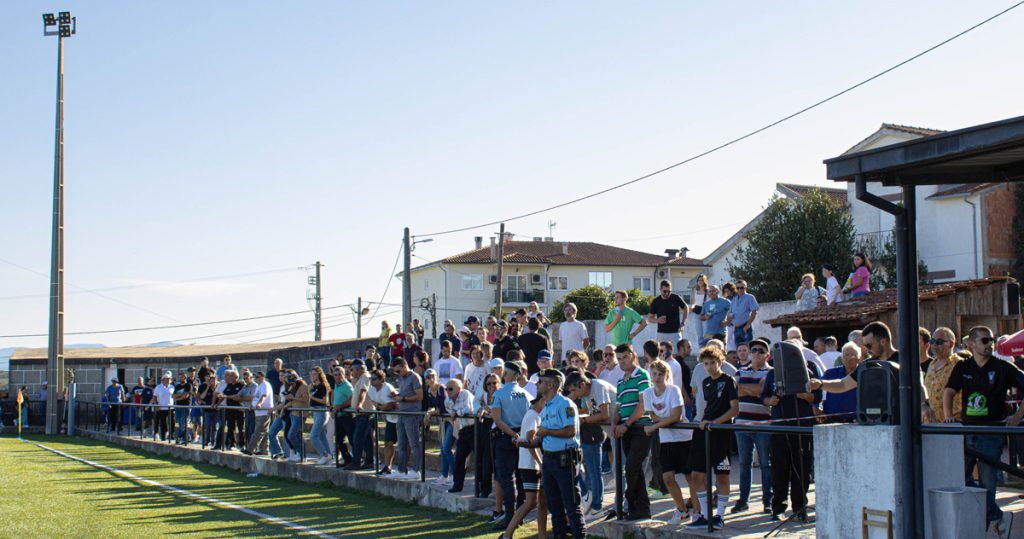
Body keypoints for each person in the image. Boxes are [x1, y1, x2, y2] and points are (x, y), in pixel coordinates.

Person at [943, 326, 1024, 537]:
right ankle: (997, 516)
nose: (990, 345)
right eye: (985, 340)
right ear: (971, 343)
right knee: (959, 478)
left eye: (992, 340)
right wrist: (948, 414)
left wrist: (1016, 417)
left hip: (992, 430)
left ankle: (983, 528)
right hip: (966, 430)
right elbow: (949, 390)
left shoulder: (1002, 367)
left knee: (988, 482)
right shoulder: (963, 366)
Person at [761, 344, 821, 522]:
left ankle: (800, 507)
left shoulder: (808, 370)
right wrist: (770, 400)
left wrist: (806, 396)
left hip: (801, 426)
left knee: (801, 468)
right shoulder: (773, 373)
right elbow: (763, 397)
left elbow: (817, 396)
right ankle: (778, 508)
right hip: (780, 427)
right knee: (779, 470)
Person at [686, 345, 739, 530]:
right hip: (703, 429)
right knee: (697, 475)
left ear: (720, 362)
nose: (709, 367)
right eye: (705, 363)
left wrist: (716, 421)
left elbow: (734, 409)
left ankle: (720, 516)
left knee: (722, 475)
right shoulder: (705, 382)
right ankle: (705, 516)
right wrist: (705, 420)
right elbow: (707, 406)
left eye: (712, 363)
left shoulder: (729, 380)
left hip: (721, 433)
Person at [640, 359, 693, 526]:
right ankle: (682, 510)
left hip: (683, 437)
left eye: (660, 374)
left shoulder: (674, 390)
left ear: (667, 375)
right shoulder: (648, 393)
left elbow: (676, 416)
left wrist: (657, 425)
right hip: (666, 438)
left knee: (690, 477)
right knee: (667, 477)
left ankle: (699, 511)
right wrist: (663, 421)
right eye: (654, 374)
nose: (657, 377)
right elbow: (653, 415)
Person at [535, 368, 586, 539]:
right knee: (554, 507)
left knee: (571, 506)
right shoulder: (547, 405)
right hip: (549, 459)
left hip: (564, 460)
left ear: (550, 385)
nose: (537, 384)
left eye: (541, 382)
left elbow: (570, 431)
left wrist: (546, 431)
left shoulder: (564, 404)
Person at [565, 370, 616, 517]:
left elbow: (604, 414)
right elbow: (589, 411)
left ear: (582, 384)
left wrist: (582, 420)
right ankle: (595, 505)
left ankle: (597, 506)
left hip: (620, 428)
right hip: (612, 430)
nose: (575, 394)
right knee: (593, 470)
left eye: (575, 390)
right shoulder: (587, 392)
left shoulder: (598, 387)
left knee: (595, 470)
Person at [611, 343, 653, 521]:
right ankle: (641, 508)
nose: (622, 362)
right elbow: (618, 407)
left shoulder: (642, 375)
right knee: (635, 470)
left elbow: (643, 406)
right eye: (619, 359)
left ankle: (631, 502)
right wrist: (614, 425)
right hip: (626, 429)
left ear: (633, 356)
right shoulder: (621, 381)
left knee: (631, 468)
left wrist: (626, 424)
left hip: (640, 428)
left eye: (625, 357)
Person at [489, 361, 532, 530]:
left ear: (508, 374)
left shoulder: (499, 394)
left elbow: (497, 420)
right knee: (520, 478)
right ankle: (518, 517)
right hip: (520, 437)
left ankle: (509, 517)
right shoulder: (526, 394)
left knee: (506, 478)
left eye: (504, 372)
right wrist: (519, 435)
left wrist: (512, 434)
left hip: (506, 437)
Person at [733, 338, 773, 514]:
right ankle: (743, 500)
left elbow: (759, 391)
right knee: (744, 463)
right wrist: (756, 388)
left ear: (767, 355)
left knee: (765, 463)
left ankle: (767, 500)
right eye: (754, 350)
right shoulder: (740, 370)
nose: (756, 353)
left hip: (764, 424)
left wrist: (745, 387)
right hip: (742, 423)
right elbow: (735, 390)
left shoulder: (771, 373)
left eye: (760, 350)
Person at [501, 396, 549, 539]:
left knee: (542, 502)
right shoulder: (533, 416)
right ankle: (507, 534)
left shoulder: (535, 415)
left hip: (534, 464)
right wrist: (540, 463)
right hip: (530, 465)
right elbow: (529, 442)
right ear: (541, 401)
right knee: (531, 501)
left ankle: (542, 535)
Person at [390, 357, 424, 480]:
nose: (397, 374)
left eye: (398, 371)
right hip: (402, 414)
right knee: (402, 445)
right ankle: (401, 470)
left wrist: (402, 399)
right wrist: (397, 396)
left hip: (412, 415)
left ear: (404, 366)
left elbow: (419, 396)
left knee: (414, 444)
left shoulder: (414, 377)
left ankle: (416, 470)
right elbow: (405, 393)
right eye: (395, 372)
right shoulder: (401, 378)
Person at [446, 379, 479, 494]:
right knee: (459, 458)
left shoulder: (465, 394)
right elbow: (450, 412)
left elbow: (470, 409)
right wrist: (455, 413)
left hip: (475, 428)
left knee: (479, 459)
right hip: (463, 429)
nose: (448, 391)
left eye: (451, 389)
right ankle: (457, 485)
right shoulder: (448, 400)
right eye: (446, 389)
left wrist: (457, 412)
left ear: (459, 389)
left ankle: (481, 487)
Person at [924, 327, 962, 423]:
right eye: (932, 341)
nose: (934, 345)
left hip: (952, 423)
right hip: (930, 424)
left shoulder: (960, 364)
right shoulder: (931, 364)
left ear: (951, 344)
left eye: (939, 342)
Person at [364, 369, 397, 476]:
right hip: (390, 419)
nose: (371, 381)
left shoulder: (388, 388)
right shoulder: (371, 390)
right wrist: (382, 407)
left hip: (400, 418)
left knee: (404, 445)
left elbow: (391, 405)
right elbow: (376, 403)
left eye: (374, 379)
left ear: (381, 379)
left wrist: (380, 407)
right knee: (388, 443)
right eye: (370, 378)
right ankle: (388, 466)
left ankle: (404, 469)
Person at [344, 360, 376, 470]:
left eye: (352, 370)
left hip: (364, 413)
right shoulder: (360, 378)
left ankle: (356, 462)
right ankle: (369, 461)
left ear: (358, 369)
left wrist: (359, 404)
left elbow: (363, 391)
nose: (351, 372)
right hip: (362, 413)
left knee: (357, 438)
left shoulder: (365, 376)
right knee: (367, 440)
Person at [821, 342, 861, 418]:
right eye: (846, 355)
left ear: (858, 357)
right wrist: (817, 408)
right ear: (842, 358)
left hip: (856, 420)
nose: (849, 358)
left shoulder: (864, 375)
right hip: (832, 419)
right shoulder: (830, 373)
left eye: (852, 355)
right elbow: (819, 390)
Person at [648, 280, 689, 350]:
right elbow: (650, 319)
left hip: (675, 332)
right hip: (661, 333)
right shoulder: (656, 301)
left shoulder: (675, 298)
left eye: (669, 291)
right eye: (664, 291)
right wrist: (658, 320)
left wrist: (683, 323)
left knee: (676, 355)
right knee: (661, 355)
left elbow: (686, 308)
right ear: (660, 290)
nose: (667, 293)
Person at [243, 371, 274, 456]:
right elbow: (255, 397)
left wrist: (259, 404)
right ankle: (264, 450)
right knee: (263, 432)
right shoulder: (259, 386)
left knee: (258, 432)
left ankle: (250, 449)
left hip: (264, 411)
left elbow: (264, 395)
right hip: (257, 412)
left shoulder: (265, 384)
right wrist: (252, 405)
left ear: (262, 377)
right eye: (255, 377)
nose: (256, 378)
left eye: (258, 377)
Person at [307, 367, 333, 465]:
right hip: (315, 412)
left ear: (319, 375)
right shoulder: (313, 386)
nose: (312, 376)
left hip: (322, 411)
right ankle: (329, 455)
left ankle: (324, 455)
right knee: (322, 436)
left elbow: (324, 401)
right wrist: (310, 392)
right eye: (311, 374)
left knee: (313, 436)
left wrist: (311, 396)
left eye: (314, 374)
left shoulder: (323, 386)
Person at [329, 365, 354, 465]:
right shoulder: (336, 384)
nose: (338, 376)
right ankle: (347, 459)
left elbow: (353, 398)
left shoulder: (346, 385)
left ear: (343, 375)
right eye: (336, 375)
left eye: (340, 374)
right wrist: (334, 407)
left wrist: (341, 405)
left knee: (352, 439)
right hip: (338, 415)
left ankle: (358, 459)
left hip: (347, 416)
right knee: (339, 440)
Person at [724, 280, 758, 349]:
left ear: (745, 288)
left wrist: (748, 325)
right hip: (736, 328)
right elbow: (729, 313)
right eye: (738, 288)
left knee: (748, 349)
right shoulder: (734, 299)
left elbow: (754, 312)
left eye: (742, 287)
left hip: (745, 327)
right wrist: (729, 318)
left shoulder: (750, 297)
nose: (739, 289)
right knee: (739, 351)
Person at [219, 370, 246, 451]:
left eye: (231, 376)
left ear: (236, 377)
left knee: (241, 428)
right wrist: (219, 402)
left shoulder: (240, 385)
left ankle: (242, 444)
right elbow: (223, 395)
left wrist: (227, 396)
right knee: (231, 427)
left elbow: (237, 397)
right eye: (229, 376)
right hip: (230, 410)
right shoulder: (229, 385)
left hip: (239, 409)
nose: (229, 377)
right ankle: (231, 444)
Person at [197, 373, 219, 447]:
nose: (213, 382)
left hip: (216, 411)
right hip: (207, 410)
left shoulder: (218, 389)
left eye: (214, 381)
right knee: (207, 426)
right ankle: (207, 440)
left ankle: (214, 441)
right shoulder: (207, 388)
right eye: (211, 381)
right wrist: (207, 388)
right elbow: (202, 397)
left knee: (214, 427)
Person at [172, 371, 193, 444]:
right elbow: (173, 396)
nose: (181, 378)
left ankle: (180, 437)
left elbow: (186, 396)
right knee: (180, 423)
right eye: (180, 377)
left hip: (185, 406)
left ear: (185, 377)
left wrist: (177, 397)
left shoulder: (188, 385)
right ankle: (187, 437)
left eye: (183, 376)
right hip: (178, 406)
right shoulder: (177, 386)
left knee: (183, 422)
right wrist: (180, 396)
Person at [152, 373, 175, 442]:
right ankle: (163, 436)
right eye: (167, 379)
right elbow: (155, 397)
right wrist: (156, 404)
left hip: (170, 407)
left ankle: (171, 435)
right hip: (162, 407)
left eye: (169, 379)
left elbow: (174, 395)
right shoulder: (158, 387)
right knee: (163, 422)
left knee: (172, 422)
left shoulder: (172, 387)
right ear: (163, 380)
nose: (168, 380)